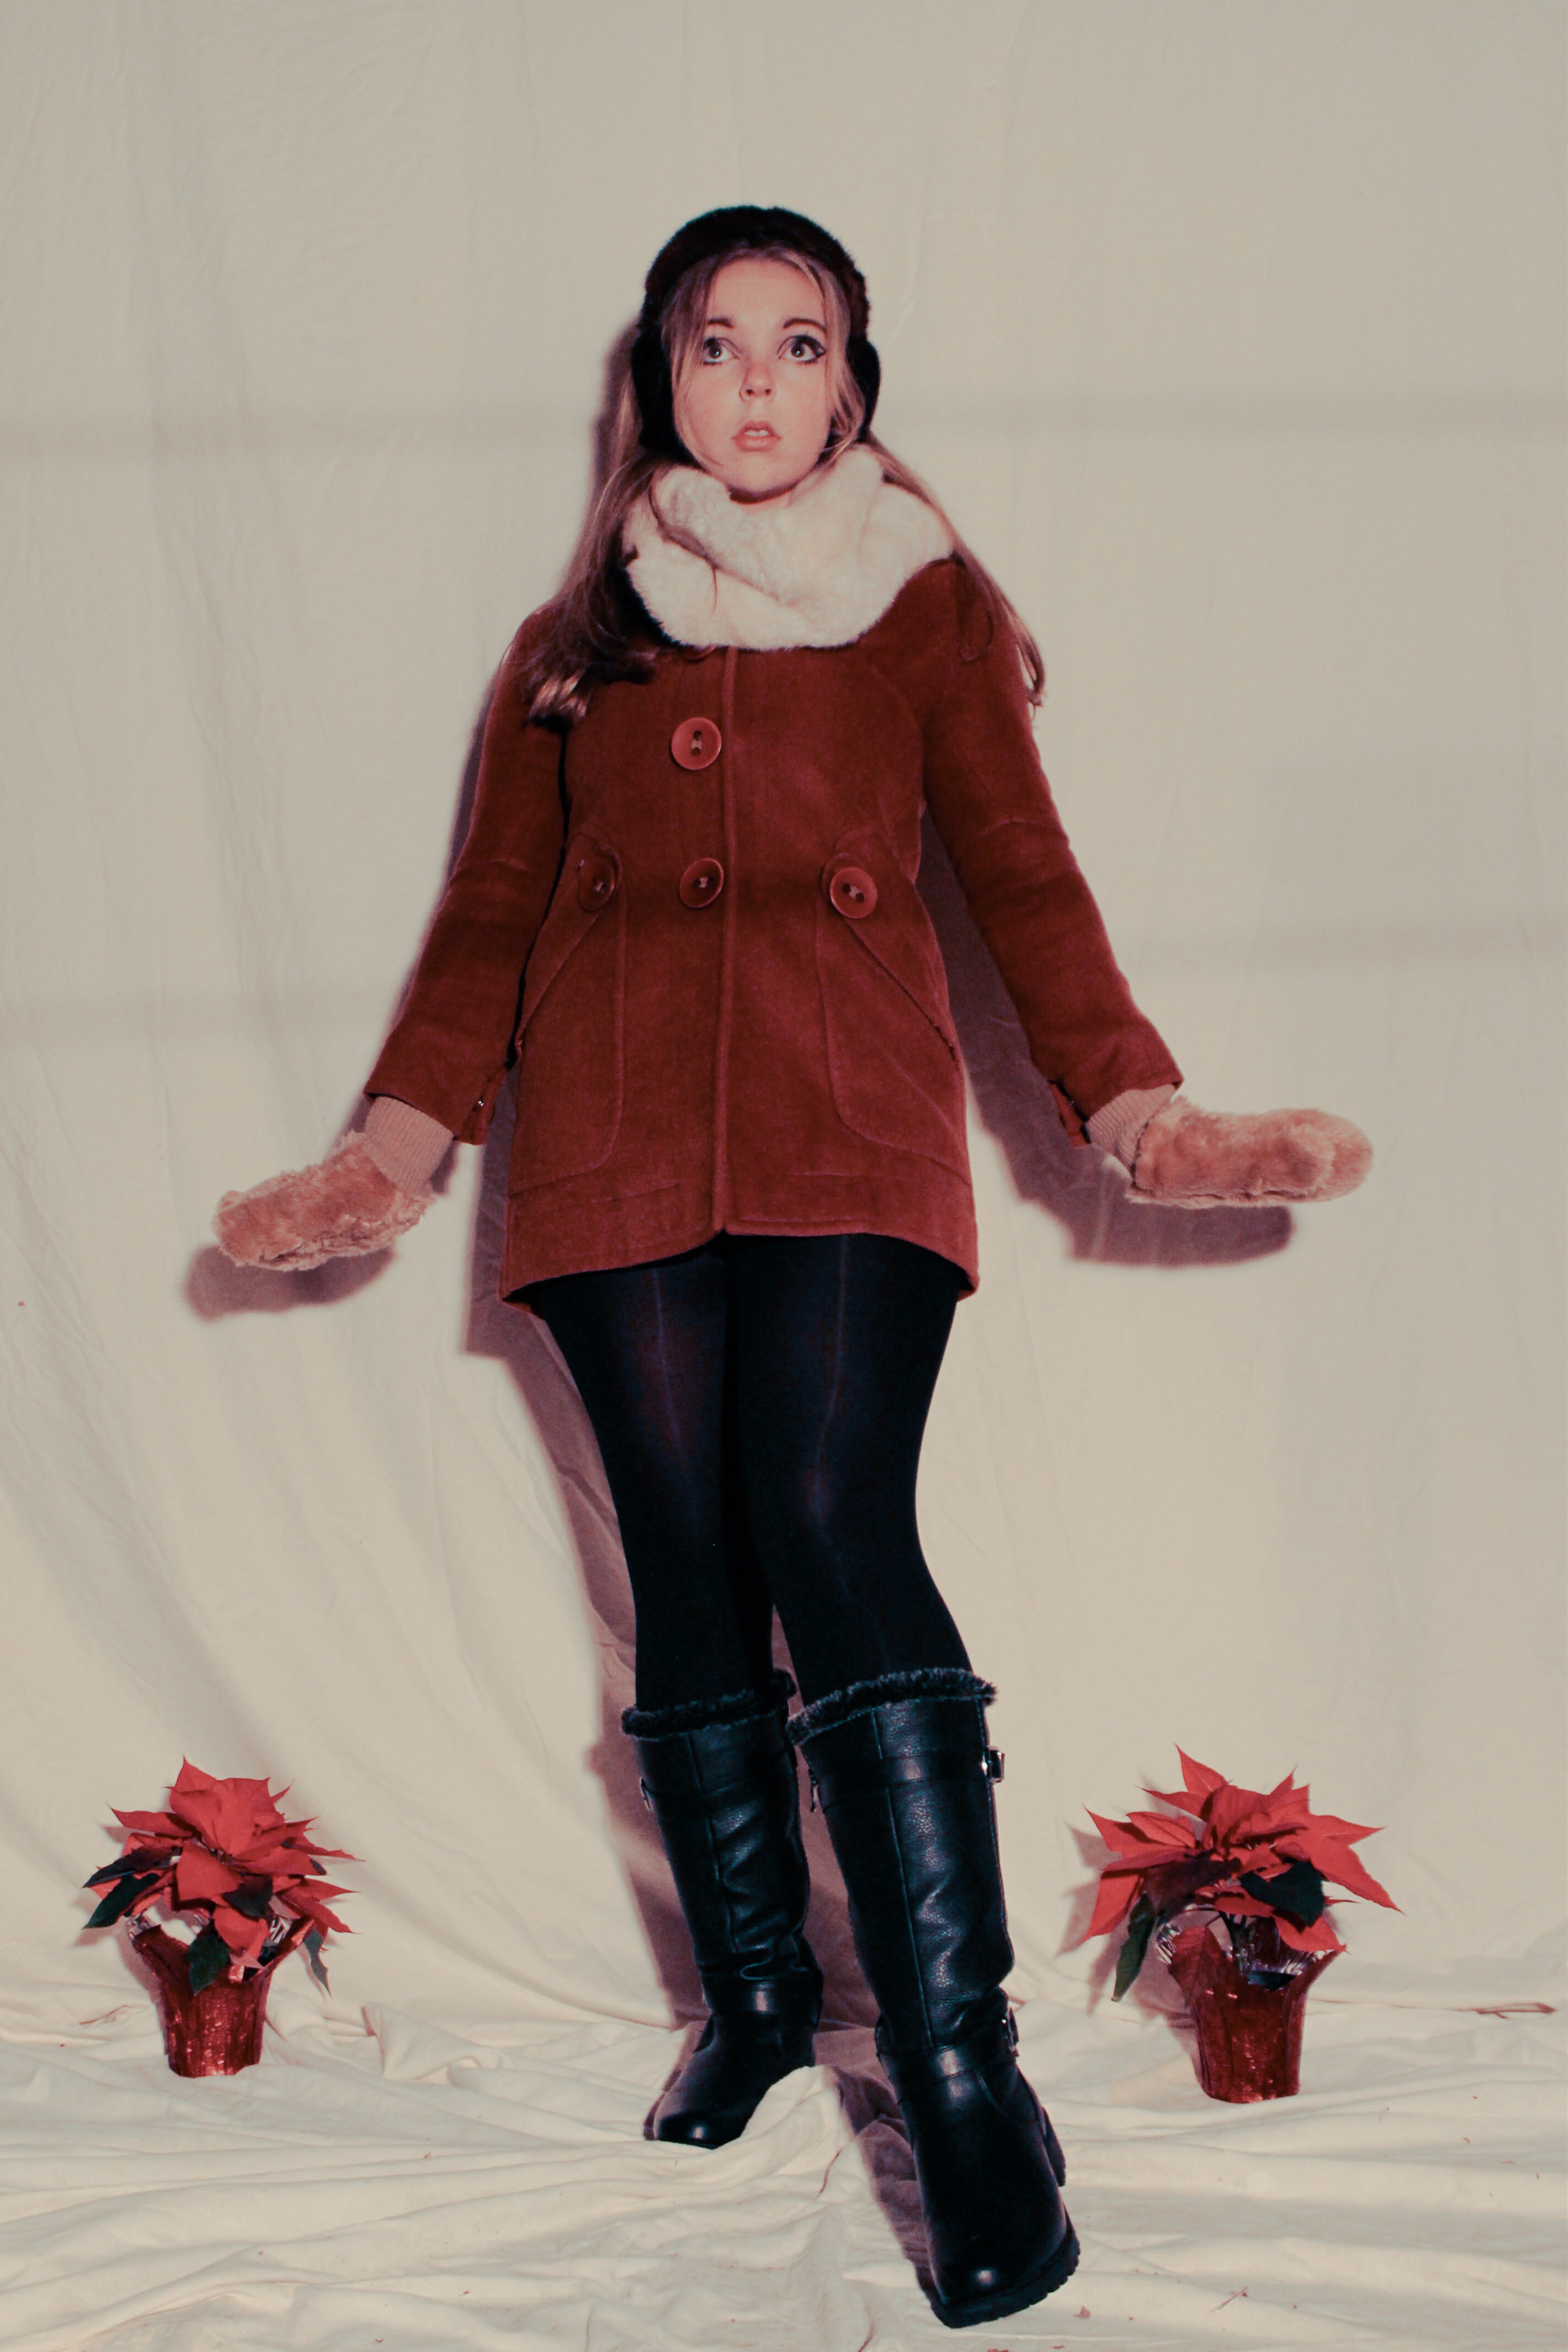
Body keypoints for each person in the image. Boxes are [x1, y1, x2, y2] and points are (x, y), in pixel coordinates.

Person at [215, 206, 1369, 2330]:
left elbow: (1024, 881)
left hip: (850, 1137)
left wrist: (1138, 1110)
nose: (755, 382)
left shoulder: (922, 612)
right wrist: (389, 1154)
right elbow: (483, 926)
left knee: (834, 1530)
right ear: (659, 384)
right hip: (607, 1152)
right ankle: (754, 2000)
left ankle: (959, 2070)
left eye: (799, 343)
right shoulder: (576, 640)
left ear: (855, 382)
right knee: (681, 1566)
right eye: (714, 346)